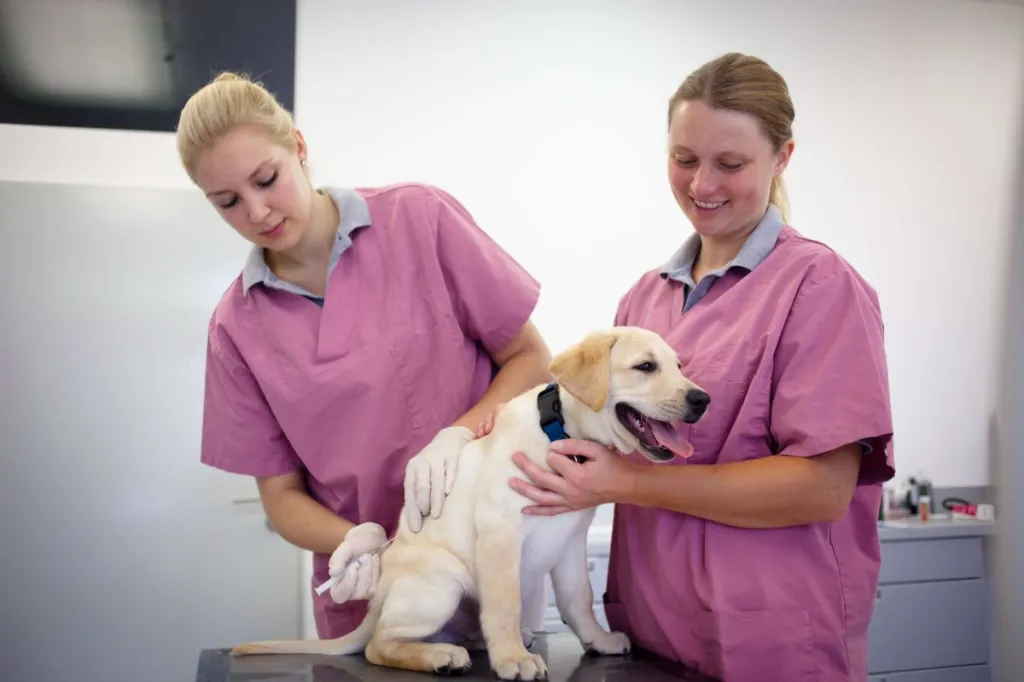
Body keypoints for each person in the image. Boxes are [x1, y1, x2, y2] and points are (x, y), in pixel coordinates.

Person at [497, 53, 895, 682]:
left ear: (783, 157)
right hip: (649, 632)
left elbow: (821, 488)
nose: (702, 185)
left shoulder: (820, 287)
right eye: (684, 160)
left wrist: (627, 485)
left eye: (730, 165)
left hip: (768, 638)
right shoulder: (644, 301)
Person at [176, 72, 553, 640]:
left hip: (489, 553)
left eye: (266, 179)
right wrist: (356, 540)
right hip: (373, 588)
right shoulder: (235, 330)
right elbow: (281, 498)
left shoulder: (419, 221)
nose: (257, 212)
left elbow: (530, 357)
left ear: (298, 148)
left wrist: (458, 436)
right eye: (228, 202)